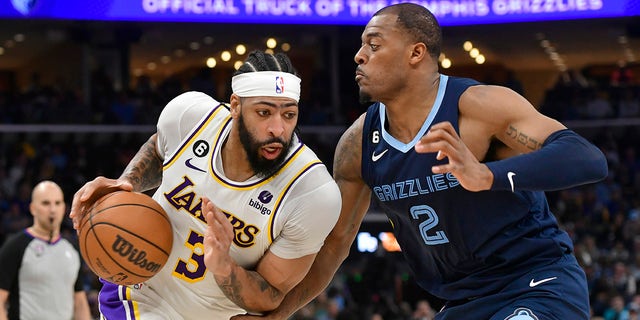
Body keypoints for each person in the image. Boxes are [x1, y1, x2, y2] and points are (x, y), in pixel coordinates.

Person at [234, 3, 609, 320]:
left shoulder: (477, 107)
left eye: (374, 44)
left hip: (537, 283)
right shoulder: (358, 144)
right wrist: (280, 313)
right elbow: (334, 245)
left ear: (416, 53)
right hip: (462, 303)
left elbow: (585, 156)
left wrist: (487, 175)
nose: (358, 55)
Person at [69, 50, 341, 319]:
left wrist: (225, 267)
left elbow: (271, 295)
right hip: (141, 294)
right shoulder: (191, 116)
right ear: (235, 106)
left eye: (289, 115)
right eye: (263, 112)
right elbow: (159, 148)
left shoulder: (312, 193)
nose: (278, 129)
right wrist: (127, 182)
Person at [0, 180, 92, 320]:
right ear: (32, 208)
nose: (53, 209)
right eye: (46, 203)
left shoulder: (71, 249)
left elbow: (79, 302)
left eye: (57, 203)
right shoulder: (15, 246)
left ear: (64, 208)